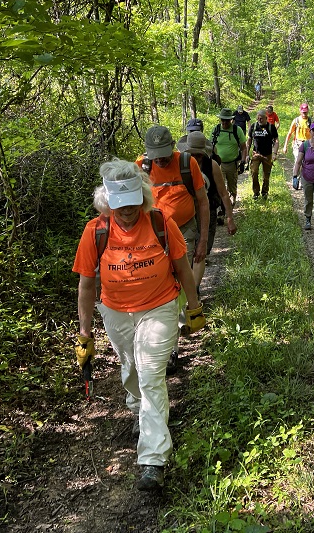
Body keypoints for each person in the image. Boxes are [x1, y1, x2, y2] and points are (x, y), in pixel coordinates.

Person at [73, 159, 205, 491]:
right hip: (115, 311)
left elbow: (182, 267)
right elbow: (86, 285)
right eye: (120, 204)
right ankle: (138, 408)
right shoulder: (95, 232)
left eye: (133, 202)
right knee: (130, 367)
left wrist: (193, 307)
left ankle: (153, 459)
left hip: (160, 306)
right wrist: (85, 333)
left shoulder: (161, 222)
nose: (127, 210)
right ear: (106, 201)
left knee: (150, 375)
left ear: (143, 196)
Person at [137, 125, 210, 373]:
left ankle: (171, 346)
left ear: (172, 147)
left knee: (178, 282)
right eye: (155, 154)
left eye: (164, 154)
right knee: (159, 283)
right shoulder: (140, 168)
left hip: (184, 230)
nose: (160, 159)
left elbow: (203, 202)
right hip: (153, 234)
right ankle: (156, 334)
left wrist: (202, 240)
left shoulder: (188, 163)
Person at [178, 131, 237, 290]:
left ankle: (195, 289)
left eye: (199, 155)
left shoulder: (212, 166)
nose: (195, 158)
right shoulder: (179, 165)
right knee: (185, 252)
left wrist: (230, 218)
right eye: (192, 154)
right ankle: (188, 289)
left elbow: (223, 193)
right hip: (185, 214)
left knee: (200, 252)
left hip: (207, 212)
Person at [211, 108, 248, 208]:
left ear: (231, 120)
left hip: (232, 164)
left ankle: (231, 205)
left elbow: (244, 148)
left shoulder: (237, 130)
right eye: (222, 120)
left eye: (226, 120)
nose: (224, 122)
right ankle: (222, 208)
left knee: (232, 187)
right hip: (218, 164)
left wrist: (243, 162)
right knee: (219, 187)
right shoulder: (216, 130)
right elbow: (210, 146)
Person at [247, 109, 279, 200]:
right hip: (256, 154)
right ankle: (256, 193)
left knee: (266, 175)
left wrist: (274, 153)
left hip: (267, 155)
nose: (259, 120)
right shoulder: (253, 126)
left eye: (261, 118)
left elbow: (276, 141)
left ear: (266, 118)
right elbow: (249, 140)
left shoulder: (271, 127)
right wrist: (246, 154)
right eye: (258, 118)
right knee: (254, 172)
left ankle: (264, 193)